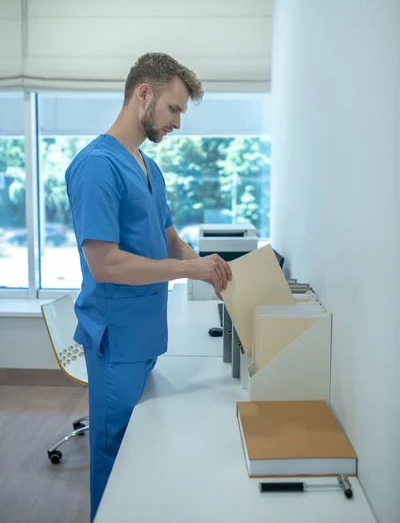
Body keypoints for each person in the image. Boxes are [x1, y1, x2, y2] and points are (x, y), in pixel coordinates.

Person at [65, 52, 232, 522]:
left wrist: (208, 267)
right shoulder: (97, 167)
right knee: (114, 458)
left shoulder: (147, 167)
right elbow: (105, 263)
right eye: (174, 109)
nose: (178, 122)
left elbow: (169, 238)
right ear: (145, 93)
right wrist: (189, 273)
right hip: (116, 342)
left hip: (145, 337)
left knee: (140, 458)